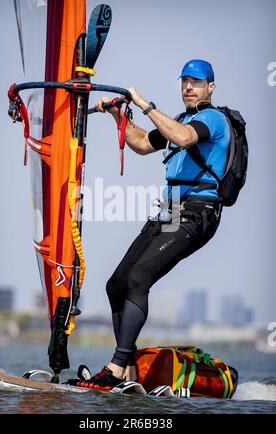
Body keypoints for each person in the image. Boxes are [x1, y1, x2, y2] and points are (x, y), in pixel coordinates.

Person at [72, 59, 231, 391]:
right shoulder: (180, 120)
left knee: (139, 277)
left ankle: (116, 366)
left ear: (210, 88)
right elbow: (143, 144)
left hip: (198, 212)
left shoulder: (212, 120)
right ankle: (128, 372)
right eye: (185, 81)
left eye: (197, 82)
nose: (189, 87)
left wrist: (146, 105)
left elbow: (185, 137)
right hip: (170, 212)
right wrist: (119, 115)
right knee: (116, 284)